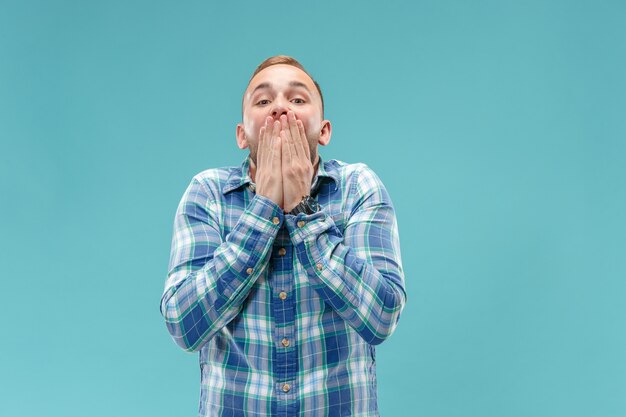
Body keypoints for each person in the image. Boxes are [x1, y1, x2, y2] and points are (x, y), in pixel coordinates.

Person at [160, 55, 407, 417]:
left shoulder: (358, 187)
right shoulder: (208, 192)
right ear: (242, 135)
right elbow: (184, 324)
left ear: (323, 131)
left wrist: (303, 210)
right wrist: (264, 209)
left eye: (297, 99)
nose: (279, 107)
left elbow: (382, 316)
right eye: (263, 101)